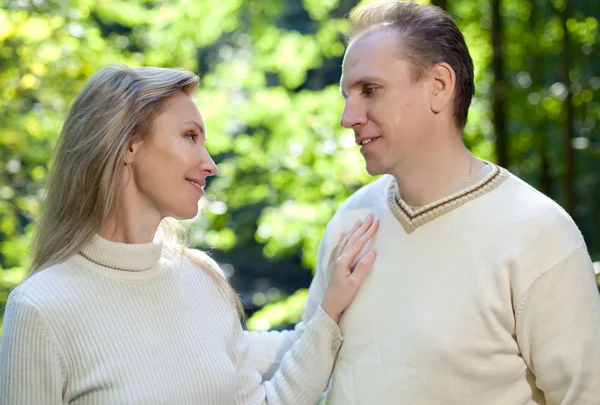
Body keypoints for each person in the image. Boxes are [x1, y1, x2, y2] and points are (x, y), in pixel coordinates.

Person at [252, 0, 600, 404]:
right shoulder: (352, 220)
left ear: (438, 86)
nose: (348, 116)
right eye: (347, 95)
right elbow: (304, 359)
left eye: (370, 90)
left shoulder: (538, 233)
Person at [0, 64, 379, 404]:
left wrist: (329, 311)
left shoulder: (203, 280)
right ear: (130, 144)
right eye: (190, 136)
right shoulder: (40, 308)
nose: (210, 164)